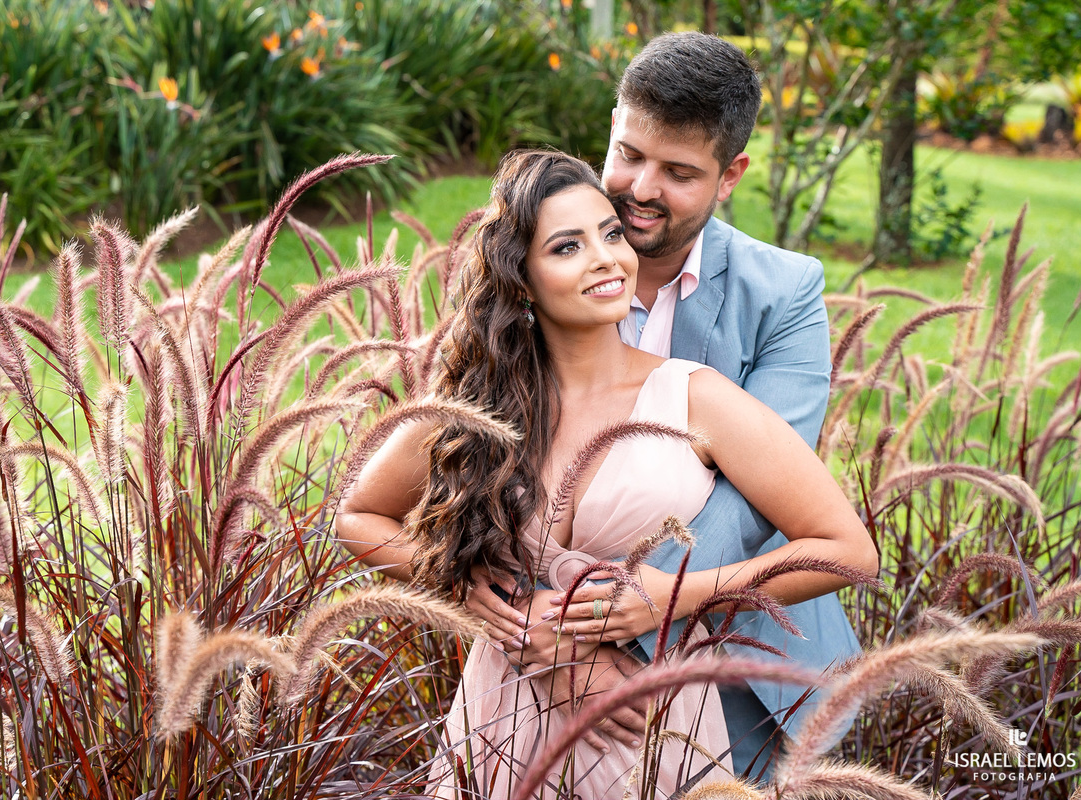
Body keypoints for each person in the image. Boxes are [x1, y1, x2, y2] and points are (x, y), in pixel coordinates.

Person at [334, 150, 878, 798]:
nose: (606, 258)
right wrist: (477, 596)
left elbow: (849, 552)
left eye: (610, 234)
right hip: (502, 713)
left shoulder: (696, 399)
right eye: (568, 246)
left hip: (647, 725)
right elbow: (357, 517)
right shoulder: (477, 406)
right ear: (522, 280)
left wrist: (674, 593)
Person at [460, 32, 864, 783]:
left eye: (678, 172)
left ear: (730, 174)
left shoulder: (784, 294)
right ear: (612, 124)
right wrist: (538, 638)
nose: (640, 188)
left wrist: (611, 636)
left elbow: (744, 506)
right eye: (629, 153)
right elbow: (468, 455)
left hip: (743, 657)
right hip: (533, 670)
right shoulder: (531, 272)